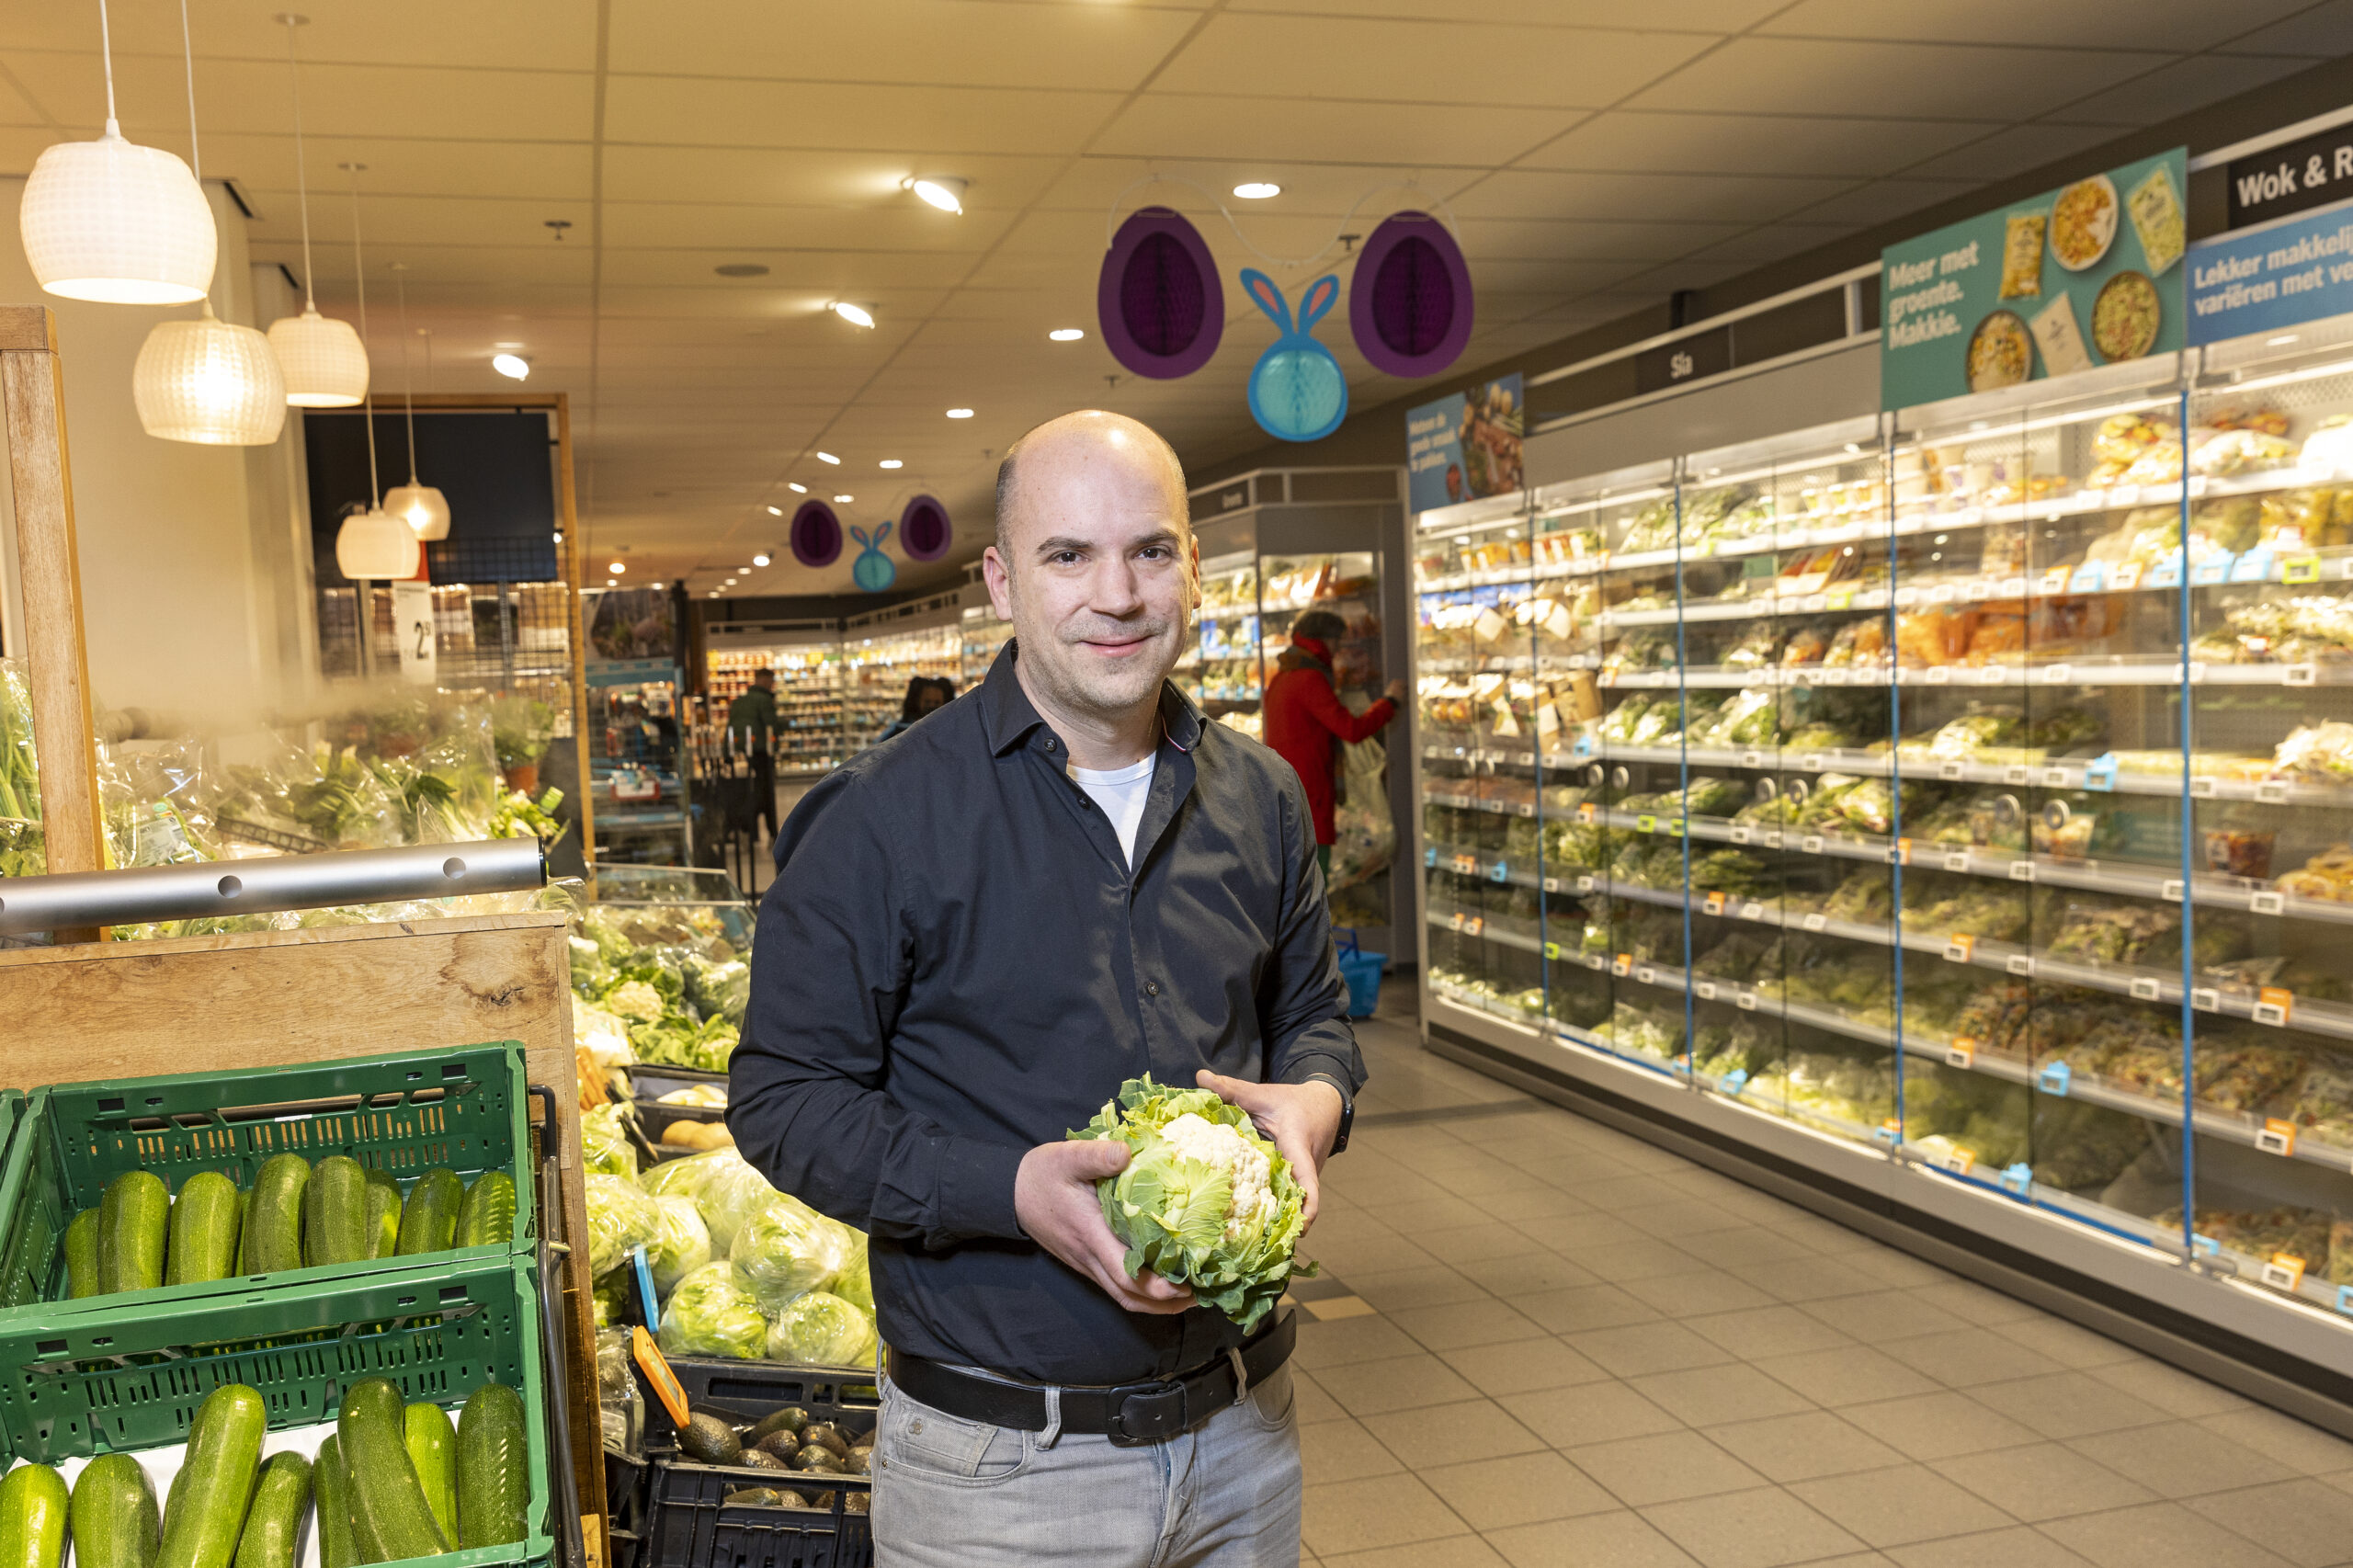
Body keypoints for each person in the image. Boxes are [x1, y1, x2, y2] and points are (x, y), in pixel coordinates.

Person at [730, 409, 1363, 1568]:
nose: (1116, 593)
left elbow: (1314, 1017)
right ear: (1000, 579)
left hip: (1245, 1438)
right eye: (1068, 554)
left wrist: (1316, 1099)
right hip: (1003, 1476)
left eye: (1151, 550)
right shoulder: (880, 817)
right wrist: (1008, 1187)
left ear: (1192, 568)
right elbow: (783, 1097)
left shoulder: (1262, 799)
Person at [1261, 608, 1404, 882]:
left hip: (1287, 791)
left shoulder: (1283, 676)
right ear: (1325, 640)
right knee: (1315, 882)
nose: (1339, 650)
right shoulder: (1310, 679)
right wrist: (1390, 702)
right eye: (1338, 642)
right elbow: (1350, 730)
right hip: (1310, 792)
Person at [724, 666, 781, 842]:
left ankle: (748, 830)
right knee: (765, 793)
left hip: (740, 753)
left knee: (749, 790)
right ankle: (767, 831)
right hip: (761, 752)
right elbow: (772, 724)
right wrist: (786, 725)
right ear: (764, 680)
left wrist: (727, 753)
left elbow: (730, 727)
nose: (772, 686)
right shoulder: (764, 700)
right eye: (771, 682)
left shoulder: (739, 701)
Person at [874, 675, 954, 745]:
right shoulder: (899, 733)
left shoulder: (951, 731)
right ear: (917, 702)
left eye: (937, 702)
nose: (931, 706)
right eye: (927, 702)